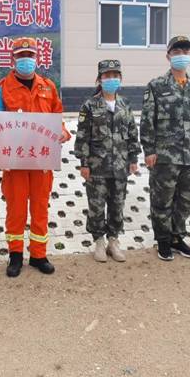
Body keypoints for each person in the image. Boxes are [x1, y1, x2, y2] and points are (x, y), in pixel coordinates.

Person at [0, 37, 71, 277]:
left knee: (40, 207)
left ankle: (38, 255)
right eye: (21, 55)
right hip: (14, 164)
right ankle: (15, 255)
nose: (26, 59)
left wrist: (63, 132)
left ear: (37, 57)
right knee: (15, 209)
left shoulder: (49, 87)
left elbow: (57, 116)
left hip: (41, 163)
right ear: (12, 59)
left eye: (30, 55)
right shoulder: (0, 89)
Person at [140, 36, 190, 261]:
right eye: (177, 51)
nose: (181, 55)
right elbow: (147, 120)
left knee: (185, 201)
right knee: (162, 200)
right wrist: (149, 150)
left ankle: (177, 237)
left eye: (185, 51)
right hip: (165, 156)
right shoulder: (156, 86)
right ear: (168, 56)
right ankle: (163, 240)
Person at [74, 60, 141, 262]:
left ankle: (113, 241)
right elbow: (82, 136)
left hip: (120, 166)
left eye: (115, 75)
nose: (111, 79)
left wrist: (133, 157)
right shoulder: (89, 105)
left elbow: (132, 132)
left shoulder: (125, 104)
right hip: (97, 167)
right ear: (99, 79)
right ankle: (99, 242)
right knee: (96, 206)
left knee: (117, 205)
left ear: (120, 79)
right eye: (107, 76)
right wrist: (84, 163)